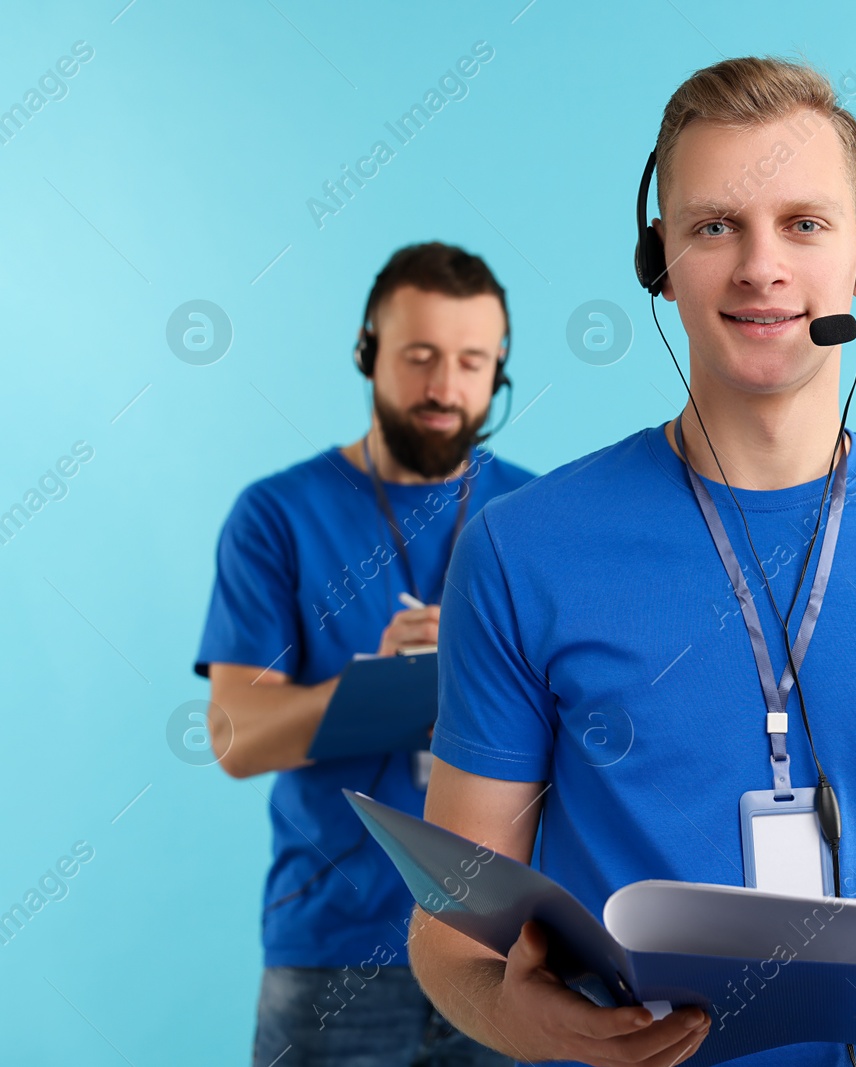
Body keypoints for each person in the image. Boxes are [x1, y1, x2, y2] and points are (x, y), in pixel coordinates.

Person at [407, 56, 856, 1067]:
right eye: (714, 224)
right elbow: (452, 931)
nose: (760, 266)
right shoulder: (519, 546)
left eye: (804, 223)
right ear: (661, 261)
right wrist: (517, 1018)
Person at [195, 242, 536, 1066]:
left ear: (498, 372)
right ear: (367, 353)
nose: (445, 389)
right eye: (419, 358)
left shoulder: (537, 513)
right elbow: (237, 737)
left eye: (470, 362)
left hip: (507, 957)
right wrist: (379, 689)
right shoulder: (276, 514)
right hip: (332, 953)